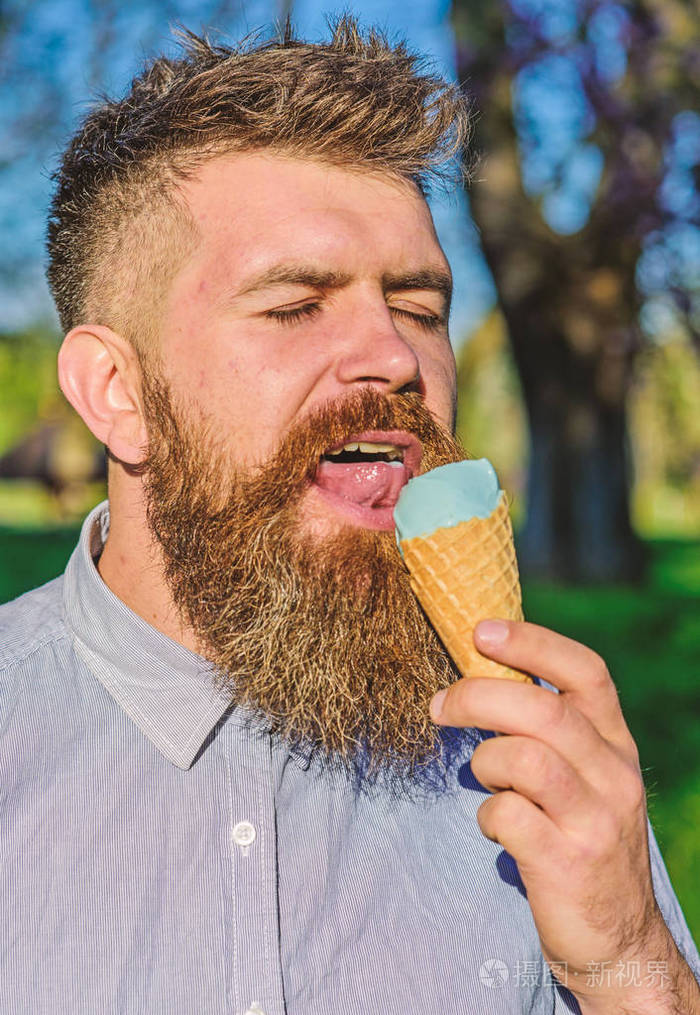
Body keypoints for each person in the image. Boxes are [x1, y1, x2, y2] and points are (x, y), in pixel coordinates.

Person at [1, 16, 698, 1014]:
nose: (396, 358)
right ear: (116, 391)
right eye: (296, 305)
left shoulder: (539, 765)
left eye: (419, 307)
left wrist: (631, 960)